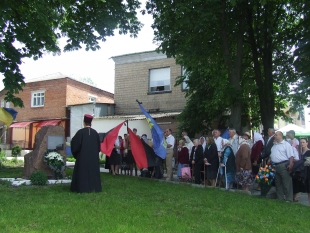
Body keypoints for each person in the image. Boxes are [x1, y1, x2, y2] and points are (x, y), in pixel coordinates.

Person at [70, 114, 102, 193]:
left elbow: (74, 144)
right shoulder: (95, 133)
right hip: (93, 159)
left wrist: (76, 153)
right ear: (91, 123)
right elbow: (99, 147)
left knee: (82, 173)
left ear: (84, 122)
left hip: (82, 158)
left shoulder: (80, 133)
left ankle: (82, 188)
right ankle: (94, 187)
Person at [270, 131, 294, 202]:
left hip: (284, 165)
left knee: (286, 183)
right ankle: (280, 198)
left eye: (276, 135)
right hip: (276, 165)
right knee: (278, 183)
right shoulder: (274, 145)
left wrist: (290, 164)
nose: (274, 136)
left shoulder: (286, 144)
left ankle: (289, 199)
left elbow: (291, 156)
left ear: (280, 136)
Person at [300, 138, 310, 205]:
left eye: (303, 142)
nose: (302, 144)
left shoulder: (309, 152)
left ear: (307, 143)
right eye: (301, 142)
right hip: (304, 171)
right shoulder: (300, 152)